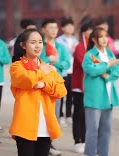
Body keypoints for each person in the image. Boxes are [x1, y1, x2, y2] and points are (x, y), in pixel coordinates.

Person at [10, 28, 67, 156]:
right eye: (33, 42)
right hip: (25, 124)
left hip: (45, 126)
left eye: (40, 42)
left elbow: (62, 90)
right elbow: (26, 80)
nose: (37, 46)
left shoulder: (48, 68)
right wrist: (41, 72)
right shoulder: (17, 66)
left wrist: (44, 85)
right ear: (23, 45)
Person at [82, 27, 119, 156]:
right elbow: (91, 70)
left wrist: (107, 75)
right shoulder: (89, 55)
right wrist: (107, 65)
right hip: (94, 98)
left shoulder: (110, 53)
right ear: (94, 39)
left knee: (106, 130)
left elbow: (117, 70)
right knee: (93, 130)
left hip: (108, 97)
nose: (105, 39)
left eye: (106, 36)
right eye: (101, 36)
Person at [39, 18, 70, 155]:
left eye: (55, 28)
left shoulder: (61, 47)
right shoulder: (40, 45)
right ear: (43, 30)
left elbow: (67, 63)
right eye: (50, 28)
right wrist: (48, 60)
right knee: (43, 113)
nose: (54, 31)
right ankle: (41, 142)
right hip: (41, 84)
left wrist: (56, 62)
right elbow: (37, 62)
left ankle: (49, 143)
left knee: (55, 114)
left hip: (56, 84)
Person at [71, 21, 93, 153]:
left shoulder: (93, 47)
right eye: (90, 32)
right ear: (84, 33)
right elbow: (85, 63)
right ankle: (77, 140)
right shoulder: (80, 47)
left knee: (86, 115)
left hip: (89, 86)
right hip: (79, 86)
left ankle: (85, 140)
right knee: (78, 114)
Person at [56, 17, 78, 126]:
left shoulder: (75, 41)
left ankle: (69, 115)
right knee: (61, 94)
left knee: (71, 95)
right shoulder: (59, 41)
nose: (70, 28)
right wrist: (70, 51)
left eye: (72, 26)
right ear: (63, 28)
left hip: (73, 71)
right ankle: (60, 115)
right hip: (63, 71)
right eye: (68, 26)